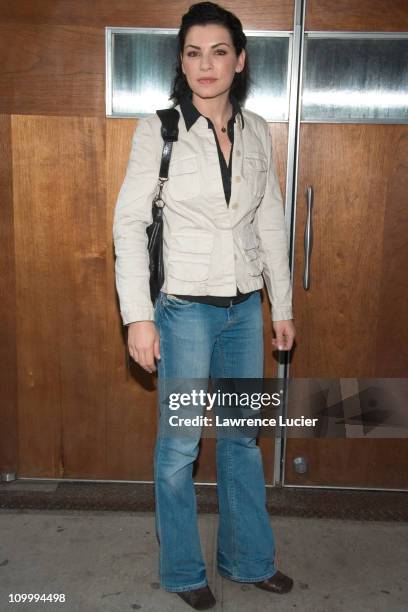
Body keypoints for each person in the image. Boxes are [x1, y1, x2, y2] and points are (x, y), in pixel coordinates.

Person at [113, 2, 296, 609]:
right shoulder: (157, 130)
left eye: (219, 51)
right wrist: (139, 315)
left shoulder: (256, 129)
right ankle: (184, 570)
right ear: (181, 62)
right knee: (181, 447)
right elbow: (130, 225)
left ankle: (247, 559)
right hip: (185, 310)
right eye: (193, 52)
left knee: (242, 440)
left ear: (239, 60)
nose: (206, 64)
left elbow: (270, 220)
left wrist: (282, 306)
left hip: (244, 311)